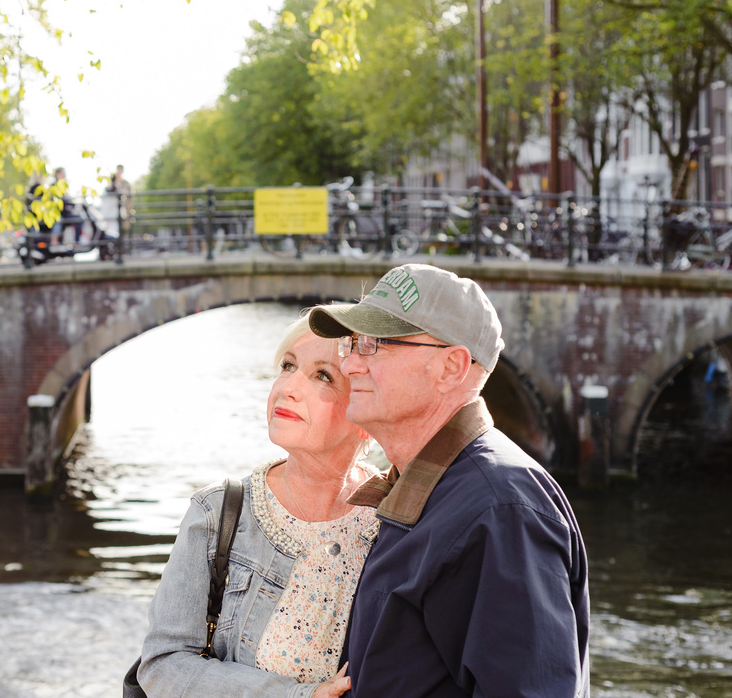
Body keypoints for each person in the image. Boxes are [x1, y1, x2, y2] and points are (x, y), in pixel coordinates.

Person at [307, 263, 590, 697]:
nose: (350, 365)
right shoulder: (441, 490)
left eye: (373, 345)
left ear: (451, 367)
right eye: (352, 344)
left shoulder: (500, 510)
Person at [135, 310, 378, 698]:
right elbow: (164, 665)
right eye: (288, 365)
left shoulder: (397, 522)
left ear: (367, 409)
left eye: (323, 375)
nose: (288, 386)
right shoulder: (218, 514)